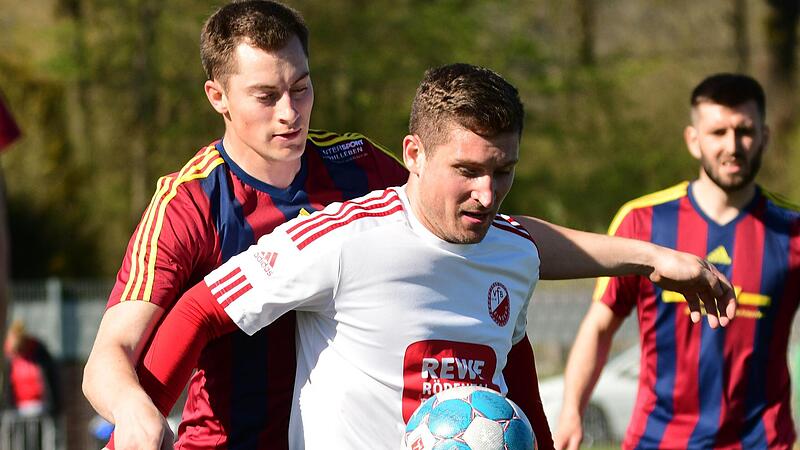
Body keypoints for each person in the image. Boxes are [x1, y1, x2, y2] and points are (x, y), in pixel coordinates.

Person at [134, 63, 736, 449]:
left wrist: (659, 259)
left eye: (503, 172)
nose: (486, 193)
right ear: (414, 154)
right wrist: (142, 422)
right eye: (467, 171)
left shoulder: (511, 252)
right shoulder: (343, 238)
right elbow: (199, 310)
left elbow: (515, 359)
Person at [81, 1, 411, 449]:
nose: (289, 113)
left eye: (301, 88)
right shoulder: (188, 204)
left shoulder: (360, 166)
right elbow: (109, 354)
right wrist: (133, 407)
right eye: (266, 96)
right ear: (218, 97)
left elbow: (468, 222)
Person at [554, 73, 799, 450]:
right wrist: (571, 412)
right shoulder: (642, 221)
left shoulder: (792, 230)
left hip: (764, 442)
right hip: (658, 439)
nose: (733, 146)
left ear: (764, 136)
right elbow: (600, 326)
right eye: (718, 132)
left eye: (745, 131)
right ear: (693, 139)